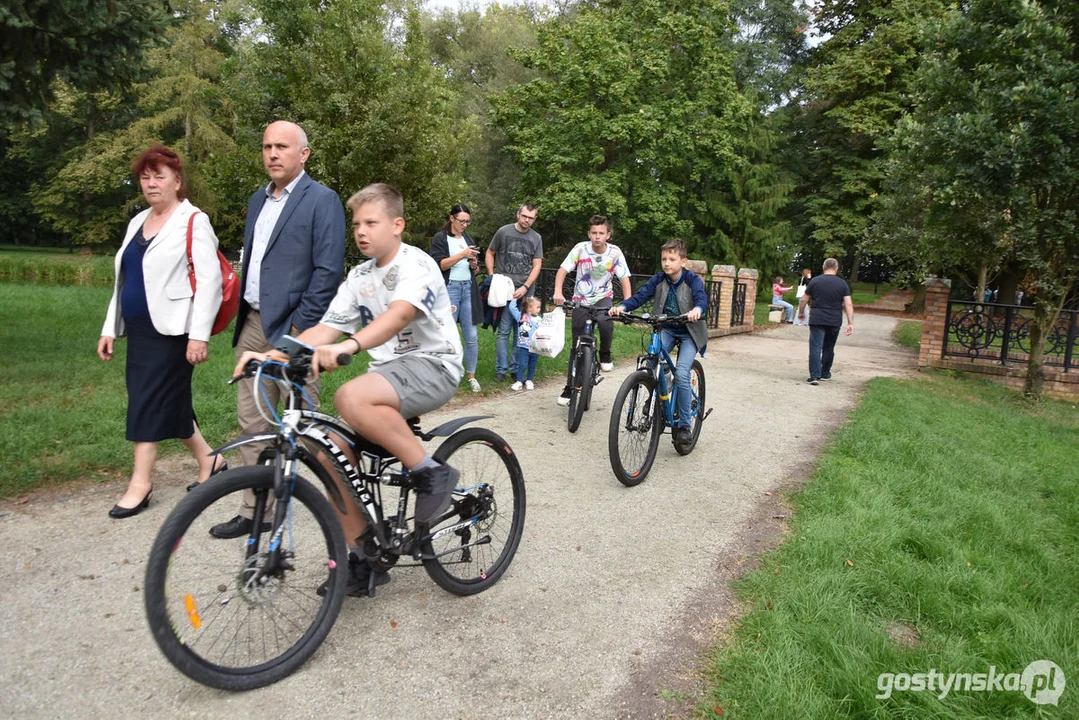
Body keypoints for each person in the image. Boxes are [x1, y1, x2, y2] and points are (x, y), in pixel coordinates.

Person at [234, 183, 463, 596]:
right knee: (327, 449)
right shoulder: (359, 276)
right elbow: (325, 327)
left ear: (397, 225)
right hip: (391, 375)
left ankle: (432, 472)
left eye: (371, 222)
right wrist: (273, 354)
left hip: (434, 365)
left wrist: (351, 346)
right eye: (356, 223)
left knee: (349, 396)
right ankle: (365, 556)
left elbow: (398, 316)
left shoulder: (417, 264)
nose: (360, 230)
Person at [209, 120, 346, 540]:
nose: (272, 154)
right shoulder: (257, 200)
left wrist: (301, 331)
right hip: (252, 323)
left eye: (282, 146)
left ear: (302, 154)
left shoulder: (322, 200)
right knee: (252, 421)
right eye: (267, 146)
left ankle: (338, 508)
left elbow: (326, 273)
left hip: (296, 329)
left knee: (304, 424)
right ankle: (256, 511)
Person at [98, 145, 225, 518]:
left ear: (177, 182)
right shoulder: (137, 222)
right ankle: (211, 461)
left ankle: (141, 483)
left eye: (160, 176)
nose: (152, 183)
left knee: (146, 400)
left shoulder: (193, 220)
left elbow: (210, 281)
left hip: (174, 332)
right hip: (139, 329)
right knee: (166, 399)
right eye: (145, 177)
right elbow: (124, 281)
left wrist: (198, 335)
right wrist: (110, 328)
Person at [609, 239, 708, 447]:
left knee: (682, 372)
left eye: (672, 259)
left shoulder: (692, 280)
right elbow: (640, 296)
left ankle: (683, 425)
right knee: (650, 363)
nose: (667, 263)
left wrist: (697, 310)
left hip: (689, 331)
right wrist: (623, 306)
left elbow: (701, 299)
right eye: (664, 258)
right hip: (668, 328)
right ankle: (655, 394)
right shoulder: (659, 279)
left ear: (683, 261)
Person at [552, 215, 633, 406]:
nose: (597, 236)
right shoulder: (580, 249)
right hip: (581, 299)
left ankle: (605, 352)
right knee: (576, 346)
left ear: (608, 235)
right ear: (589, 234)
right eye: (594, 233)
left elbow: (624, 278)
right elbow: (563, 270)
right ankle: (570, 387)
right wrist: (558, 292)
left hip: (603, 298)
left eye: (601, 233)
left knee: (606, 323)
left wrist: (627, 304)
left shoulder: (615, 252)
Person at [486, 203, 542, 381]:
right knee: (504, 331)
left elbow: (537, 265)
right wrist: (492, 276)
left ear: (535, 219)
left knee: (522, 332)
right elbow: (490, 252)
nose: (527, 220)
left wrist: (525, 286)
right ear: (518, 214)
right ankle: (500, 370)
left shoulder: (536, 238)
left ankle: (515, 369)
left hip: (526, 293)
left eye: (531, 217)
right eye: (524, 216)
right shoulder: (503, 232)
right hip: (505, 291)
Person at [429, 203, 482, 392]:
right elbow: (439, 265)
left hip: (468, 288)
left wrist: (474, 264)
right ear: (451, 219)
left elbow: (474, 271)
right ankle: (445, 375)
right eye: (462, 221)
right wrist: (462, 255)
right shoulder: (441, 238)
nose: (465, 225)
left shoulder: (468, 238)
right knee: (447, 335)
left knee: (471, 336)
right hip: (449, 289)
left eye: (468, 222)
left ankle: (471, 375)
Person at [796, 257, 854, 385]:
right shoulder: (842, 284)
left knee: (815, 347)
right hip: (834, 319)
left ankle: (814, 376)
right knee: (829, 347)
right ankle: (825, 372)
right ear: (836, 269)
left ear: (823, 267)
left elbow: (804, 299)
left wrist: (801, 312)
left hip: (817, 317)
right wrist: (850, 323)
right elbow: (848, 304)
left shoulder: (815, 281)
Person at [508, 296, 543, 391]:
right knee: (522, 364)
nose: (539, 309)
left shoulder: (539, 319)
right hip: (524, 347)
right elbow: (512, 308)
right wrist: (514, 299)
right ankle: (519, 381)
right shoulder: (521, 316)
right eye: (538, 307)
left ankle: (529, 380)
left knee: (532, 365)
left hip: (535, 347)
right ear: (529, 308)